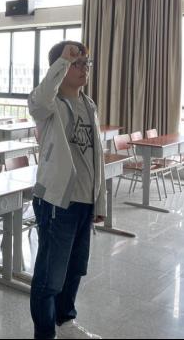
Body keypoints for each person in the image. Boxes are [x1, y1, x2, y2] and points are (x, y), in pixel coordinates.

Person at [28, 41, 106, 340]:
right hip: (57, 201)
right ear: (60, 67)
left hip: (84, 200)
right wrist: (62, 61)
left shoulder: (89, 104)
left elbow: (96, 158)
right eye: (77, 63)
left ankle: (65, 321)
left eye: (87, 63)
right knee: (50, 276)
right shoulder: (49, 105)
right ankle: (45, 333)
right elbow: (39, 101)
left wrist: (99, 202)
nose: (84, 69)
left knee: (75, 268)